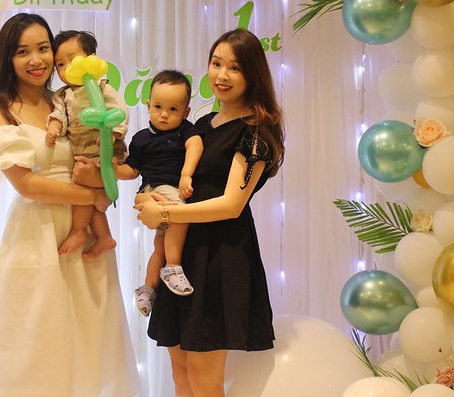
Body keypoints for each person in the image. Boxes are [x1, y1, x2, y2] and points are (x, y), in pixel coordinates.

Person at [0, 13, 139, 397]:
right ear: (8, 58)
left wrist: (109, 182)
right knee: (35, 344)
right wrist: (93, 197)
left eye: (43, 48)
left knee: (90, 341)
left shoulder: (69, 99)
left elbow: (102, 154)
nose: (36, 60)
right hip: (36, 236)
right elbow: (26, 184)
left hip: (87, 237)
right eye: (22, 51)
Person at [133, 28, 286, 397]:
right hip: (182, 254)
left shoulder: (256, 132)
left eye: (234, 67)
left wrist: (165, 215)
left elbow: (232, 205)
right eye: (216, 64)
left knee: (204, 378)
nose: (222, 75)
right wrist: (148, 200)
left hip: (220, 256)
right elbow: (165, 175)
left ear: (252, 74)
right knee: (181, 371)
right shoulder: (201, 125)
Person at [114, 70, 204, 316]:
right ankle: (173, 268)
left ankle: (147, 288)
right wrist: (113, 169)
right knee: (180, 216)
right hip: (158, 190)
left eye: (173, 109)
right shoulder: (141, 138)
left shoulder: (185, 131)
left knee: (160, 247)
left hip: (168, 189)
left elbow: (195, 145)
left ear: (185, 112)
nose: (164, 114)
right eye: (158, 107)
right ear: (148, 105)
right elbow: (132, 170)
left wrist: (186, 174)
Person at [46, 30, 129, 258]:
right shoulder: (62, 95)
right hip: (82, 151)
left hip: (106, 151)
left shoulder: (102, 87)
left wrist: (112, 134)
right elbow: (59, 115)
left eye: (73, 60)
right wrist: (53, 127)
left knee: (84, 189)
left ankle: (79, 231)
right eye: (60, 65)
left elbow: (119, 110)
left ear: (91, 59)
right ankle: (104, 237)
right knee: (88, 194)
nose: (67, 68)